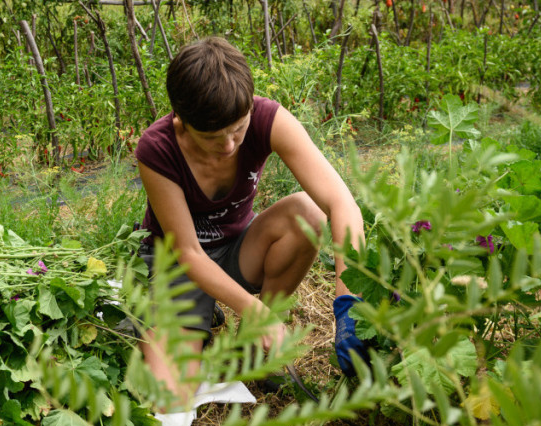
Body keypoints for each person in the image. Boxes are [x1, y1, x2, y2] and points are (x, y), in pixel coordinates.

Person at [132, 36, 369, 402]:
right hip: (177, 265)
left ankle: (250, 352)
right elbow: (189, 255)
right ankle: (196, 319)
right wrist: (253, 308)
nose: (229, 146)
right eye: (212, 137)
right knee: (171, 394)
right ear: (180, 119)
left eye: (238, 130)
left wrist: (348, 297)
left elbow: (343, 205)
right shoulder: (157, 148)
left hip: (237, 249)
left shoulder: (268, 119)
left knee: (307, 212)